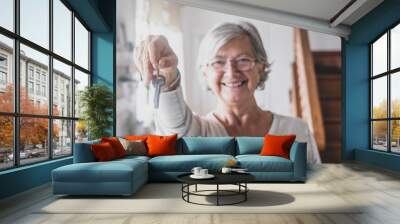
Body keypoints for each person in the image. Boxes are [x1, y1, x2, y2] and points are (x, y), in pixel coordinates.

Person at [134, 21, 321, 164]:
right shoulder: (197, 132)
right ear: (204, 72)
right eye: (218, 62)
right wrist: (168, 75)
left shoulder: (297, 130)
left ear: (261, 67)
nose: (231, 72)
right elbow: (175, 126)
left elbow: (317, 190)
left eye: (243, 60)